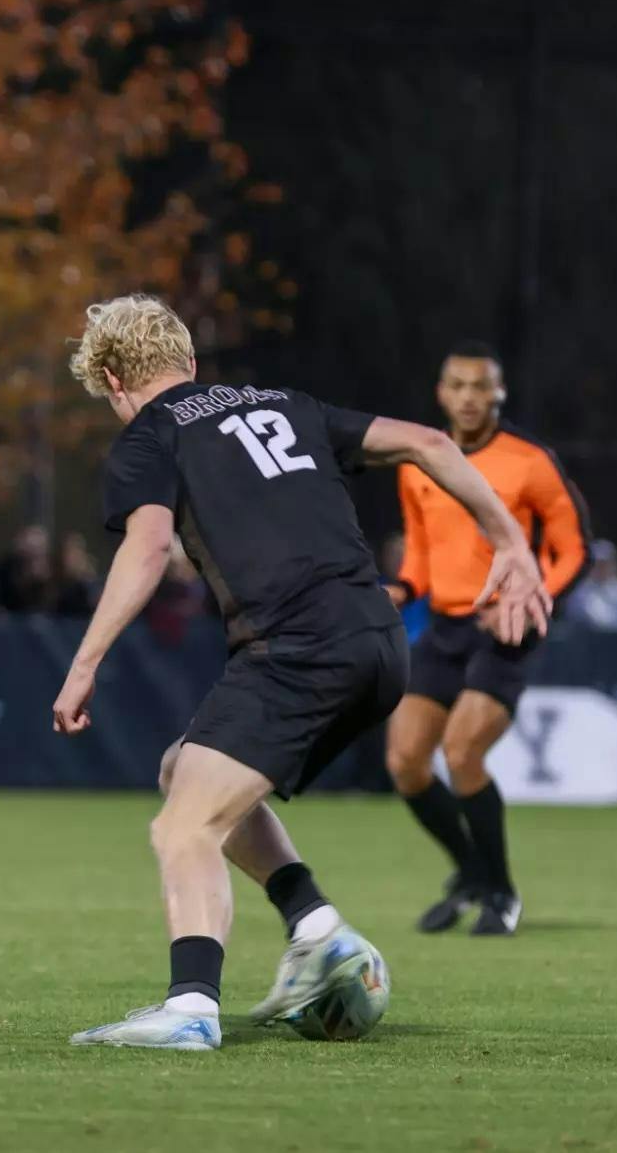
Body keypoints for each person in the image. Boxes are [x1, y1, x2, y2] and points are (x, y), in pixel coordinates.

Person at [52, 296, 548, 1052]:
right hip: (379, 643)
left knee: (183, 826)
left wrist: (84, 663)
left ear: (114, 380)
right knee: (184, 768)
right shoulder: (285, 403)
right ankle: (316, 927)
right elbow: (426, 442)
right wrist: (510, 541)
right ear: (189, 361)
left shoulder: (151, 434)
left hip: (297, 648)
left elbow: (147, 548)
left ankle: (190, 1007)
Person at [383, 342, 588, 938]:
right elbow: (422, 551)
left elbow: (575, 549)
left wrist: (530, 598)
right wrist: (402, 588)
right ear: (441, 393)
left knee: (463, 751)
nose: (469, 397)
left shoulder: (530, 461)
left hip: (506, 630)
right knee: (404, 762)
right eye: (458, 385)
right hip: (445, 626)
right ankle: (471, 872)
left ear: (499, 393)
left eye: (480, 386)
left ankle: (501, 891)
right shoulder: (418, 461)